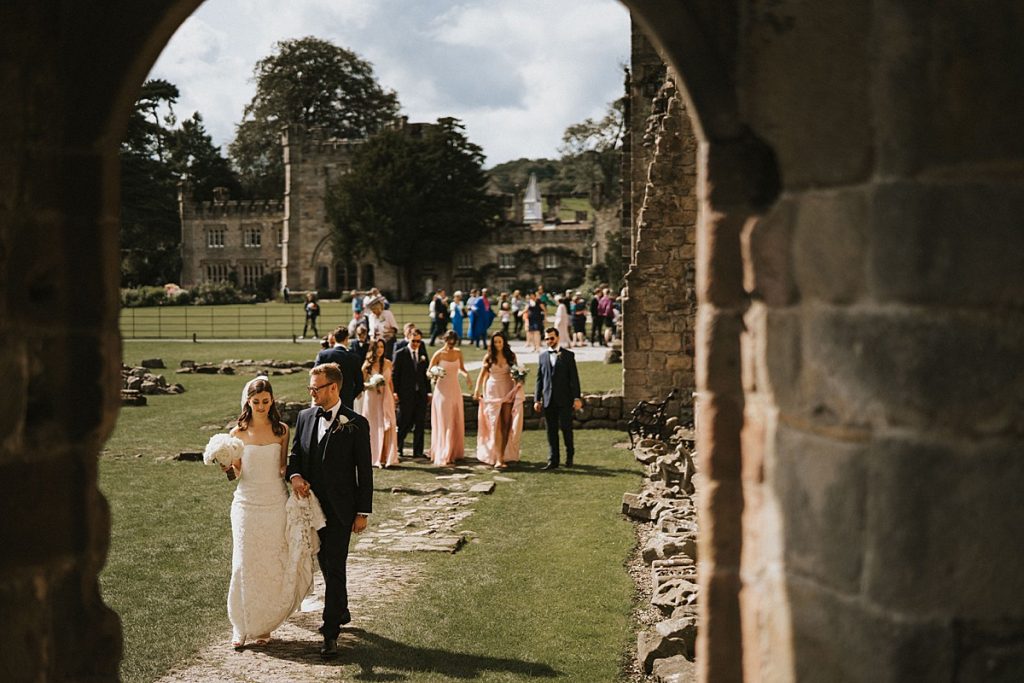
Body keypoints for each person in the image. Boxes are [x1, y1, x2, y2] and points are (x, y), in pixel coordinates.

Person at [287, 363, 373, 659]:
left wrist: (362, 511)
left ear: (333, 388)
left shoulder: (357, 423)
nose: (311, 393)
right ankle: (342, 608)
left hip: (340, 510)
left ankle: (330, 632)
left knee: (334, 566)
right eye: (310, 388)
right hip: (309, 509)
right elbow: (296, 455)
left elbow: (365, 471)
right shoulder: (305, 416)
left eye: (316, 388)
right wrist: (294, 475)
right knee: (325, 562)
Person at [226, 376, 304, 649]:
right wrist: (225, 465)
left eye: (265, 401)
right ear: (248, 401)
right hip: (246, 504)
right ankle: (240, 625)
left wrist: (299, 478)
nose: (260, 406)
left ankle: (263, 625)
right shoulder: (237, 434)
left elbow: (283, 469)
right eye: (256, 401)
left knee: (270, 563)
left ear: (272, 401)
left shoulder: (281, 430)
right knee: (242, 563)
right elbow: (235, 473)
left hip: (274, 503)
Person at [473, 332, 524, 469]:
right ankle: (499, 459)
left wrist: (520, 381)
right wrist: (477, 390)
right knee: (495, 424)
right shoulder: (489, 357)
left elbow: (517, 373)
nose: (498, 344)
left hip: (507, 390)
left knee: (507, 423)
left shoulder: (511, 356)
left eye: (500, 342)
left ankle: (504, 454)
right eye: (495, 342)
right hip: (492, 391)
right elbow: (482, 375)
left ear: (504, 342)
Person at [533, 328, 582, 470]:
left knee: (567, 429)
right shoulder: (542, 356)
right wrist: (537, 399)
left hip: (565, 399)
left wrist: (577, 397)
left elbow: (574, 378)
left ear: (558, 338)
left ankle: (569, 457)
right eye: (547, 339)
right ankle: (553, 460)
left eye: (552, 338)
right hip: (548, 400)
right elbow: (539, 380)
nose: (549, 341)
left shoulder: (568, 355)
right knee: (551, 431)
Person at [427, 330, 469, 466]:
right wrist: (434, 373)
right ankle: (444, 452)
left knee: (454, 418)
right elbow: (428, 371)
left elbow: (461, 368)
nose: (450, 344)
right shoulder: (438, 354)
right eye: (448, 341)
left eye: (453, 342)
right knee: (445, 420)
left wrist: (467, 375)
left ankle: (453, 451)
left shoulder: (458, 352)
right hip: (442, 390)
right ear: (445, 340)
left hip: (454, 389)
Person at [392, 327, 430, 459]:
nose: (416, 344)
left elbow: (426, 375)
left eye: (418, 341)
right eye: (414, 341)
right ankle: (398, 447)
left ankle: (418, 451)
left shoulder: (422, 353)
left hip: (420, 393)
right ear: (409, 338)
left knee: (420, 423)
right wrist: (395, 392)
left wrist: (429, 392)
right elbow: (395, 375)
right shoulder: (400, 353)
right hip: (405, 393)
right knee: (404, 421)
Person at [361, 339, 399, 468]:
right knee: (373, 425)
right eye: (377, 347)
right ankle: (374, 457)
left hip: (386, 397)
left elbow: (391, 382)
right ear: (373, 349)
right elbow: (360, 384)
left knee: (388, 424)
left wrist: (393, 396)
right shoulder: (367, 365)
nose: (380, 349)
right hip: (372, 398)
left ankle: (386, 457)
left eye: (382, 347)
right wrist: (371, 385)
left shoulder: (388, 363)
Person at [315, 326, 364, 411]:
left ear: (334, 338)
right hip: (346, 402)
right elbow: (359, 385)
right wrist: (350, 396)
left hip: (326, 399)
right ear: (347, 338)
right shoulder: (354, 357)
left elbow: (315, 378)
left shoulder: (323, 355)